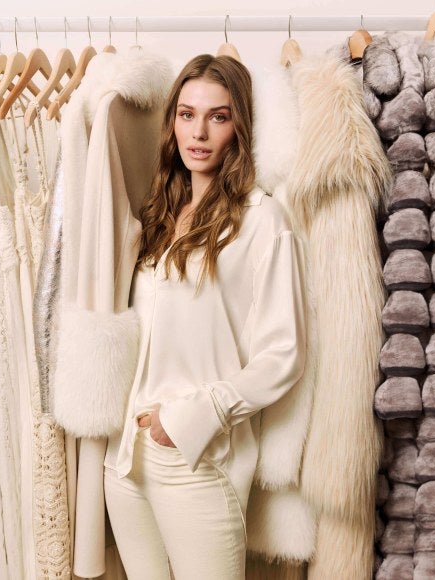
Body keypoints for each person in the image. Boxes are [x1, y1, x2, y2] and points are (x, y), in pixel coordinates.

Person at [103, 53, 306, 580]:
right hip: (126, 458)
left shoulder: (263, 220)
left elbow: (284, 354)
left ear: (239, 125)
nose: (199, 131)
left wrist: (191, 417)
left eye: (218, 116)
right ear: (172, 121)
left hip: (196, 457)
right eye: (187, 114)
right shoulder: (160, 212)